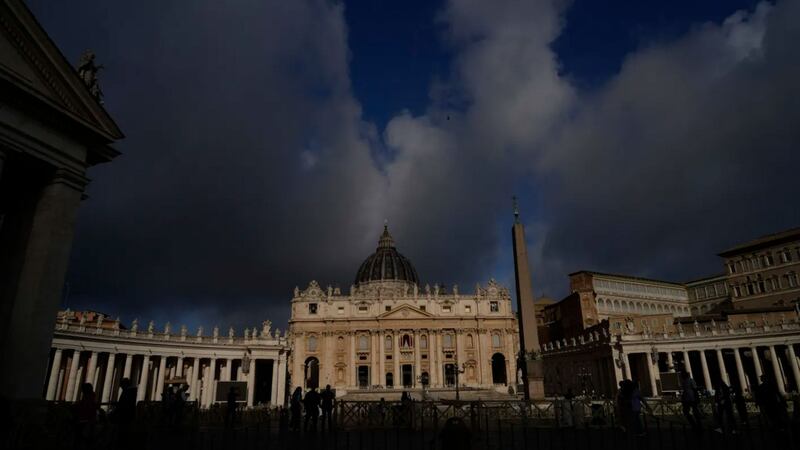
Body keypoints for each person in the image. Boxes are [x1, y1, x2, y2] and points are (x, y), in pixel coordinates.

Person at [73, 383, 99, 449]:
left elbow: (86, 407)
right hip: (89, 420)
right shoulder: (91, 397)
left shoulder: (88, 397)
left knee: (81, 438)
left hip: (85, 421)